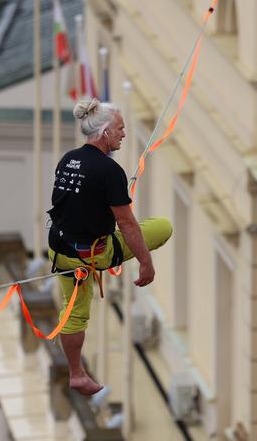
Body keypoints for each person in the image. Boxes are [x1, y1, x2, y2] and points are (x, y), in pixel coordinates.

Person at [47, 98, 172, 395]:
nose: (124, 134)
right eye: (120, 128)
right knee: (161, 226)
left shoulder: (68, 159)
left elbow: (75, 202)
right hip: (92, 254)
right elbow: (127, 224)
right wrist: (145, 262)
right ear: (104, 133)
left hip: (59, 250)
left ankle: (77, 373)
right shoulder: (109, 171)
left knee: (75, 312)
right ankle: (77, 375)